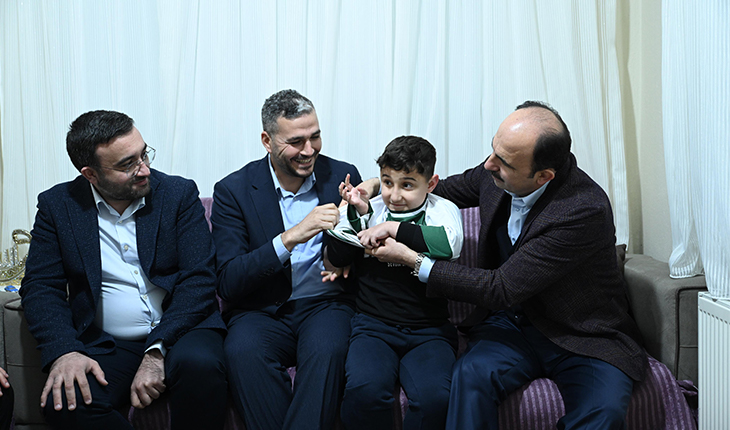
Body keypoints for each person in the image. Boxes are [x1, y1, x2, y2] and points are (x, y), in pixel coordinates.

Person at [361, 101, 648, 429]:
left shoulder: (583, 209)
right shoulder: (493, 174)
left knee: (603, 412)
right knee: (470, 375)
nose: (488, 164)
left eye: (503, 162)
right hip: (510, 326)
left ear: (543, 176)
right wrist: (376, 185)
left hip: (581, 335)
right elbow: (431, 188)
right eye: (493, 150)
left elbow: (501, 287)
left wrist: (411, 259)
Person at [20, 110, 227, 430]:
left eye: (144, 155)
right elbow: (41, 286)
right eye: (128, 164)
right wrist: (65, 351)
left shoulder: (177, 194)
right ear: (91, 174)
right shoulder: (58, 206)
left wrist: (157, 350)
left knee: (200, 365)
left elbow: (199, 278)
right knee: (65, 404)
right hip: (110, 344)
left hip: (183, 330)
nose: (144, 169)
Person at [211, 89, 362, 430]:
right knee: (242, 351)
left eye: (315, 137)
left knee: (328, 349)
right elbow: (229, 281)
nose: (309, 150)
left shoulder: (341, 175)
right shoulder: (233, 190)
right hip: (260, 310)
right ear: (267, 140)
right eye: (295, 142)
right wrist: (292, 236)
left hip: (326, 305)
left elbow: (360, 239)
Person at [327, 136, 463, 430]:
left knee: (436, 399)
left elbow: (448, 246)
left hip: (430, 331)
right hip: (373, 327)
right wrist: (355, 213)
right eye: (388, 182)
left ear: (431, 183)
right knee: (365, 392)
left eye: (407, 185)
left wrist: (391, 228)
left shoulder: (443, 209)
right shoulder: (371, 207)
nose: (395, 195)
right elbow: (337, 255)